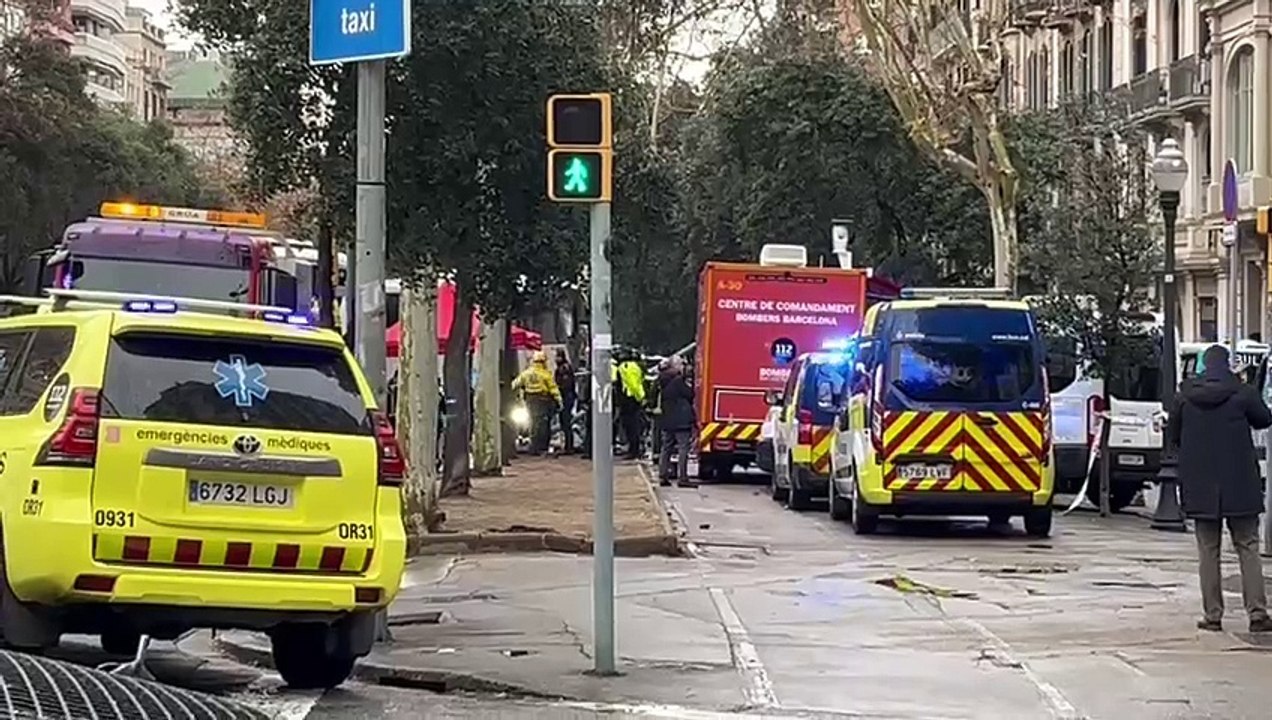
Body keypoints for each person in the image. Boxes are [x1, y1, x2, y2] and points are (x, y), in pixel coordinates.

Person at [1168, 343, 1272, 633]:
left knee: (1208, 550)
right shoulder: (1242, 393)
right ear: (1228, 365)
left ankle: (1213, 615)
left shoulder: (1184, 396)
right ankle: (1257, 613)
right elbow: (1264, 418)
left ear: (1202, 366)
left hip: (1200, 485)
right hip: (1240, 482)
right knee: (1248, 546)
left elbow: (1173, 436)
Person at [512, 351, 561, 455]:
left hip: (530, 400)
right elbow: (553, 389)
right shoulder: (545, 374)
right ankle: (541, 446)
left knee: (532, 423)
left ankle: (533, 446)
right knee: (542, 424)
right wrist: (559, 400)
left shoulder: (526, 373)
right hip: (542, 400)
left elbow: (515, 384)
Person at [657, 357, 696, 487]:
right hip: (681, 420)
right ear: (676, 366)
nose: (683, 367)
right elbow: (690, 394)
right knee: (683, 448)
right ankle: (683, 477)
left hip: (667, 419)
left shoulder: (662, 379)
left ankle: (663, 475)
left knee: (666, 448)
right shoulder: (678, 381)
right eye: (681, 364)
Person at [615, 348, 647, 460]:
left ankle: (634, 451)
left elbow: (633, 385)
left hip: (629, 400)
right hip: (631, 400)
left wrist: (640, 398)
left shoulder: (626, 367)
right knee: (633, 426)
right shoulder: (633, 366)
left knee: (631, 427)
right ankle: (634, 450)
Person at [554, 350, 578, 454]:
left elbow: (566, 384)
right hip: (566, 397)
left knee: (566, 422)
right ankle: (568, 446)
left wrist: (558, 390)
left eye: (558, 356)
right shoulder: (562, 368)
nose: (556, 359)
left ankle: (569, 447)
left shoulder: (564, 368)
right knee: (564, 423)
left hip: (566, 397)